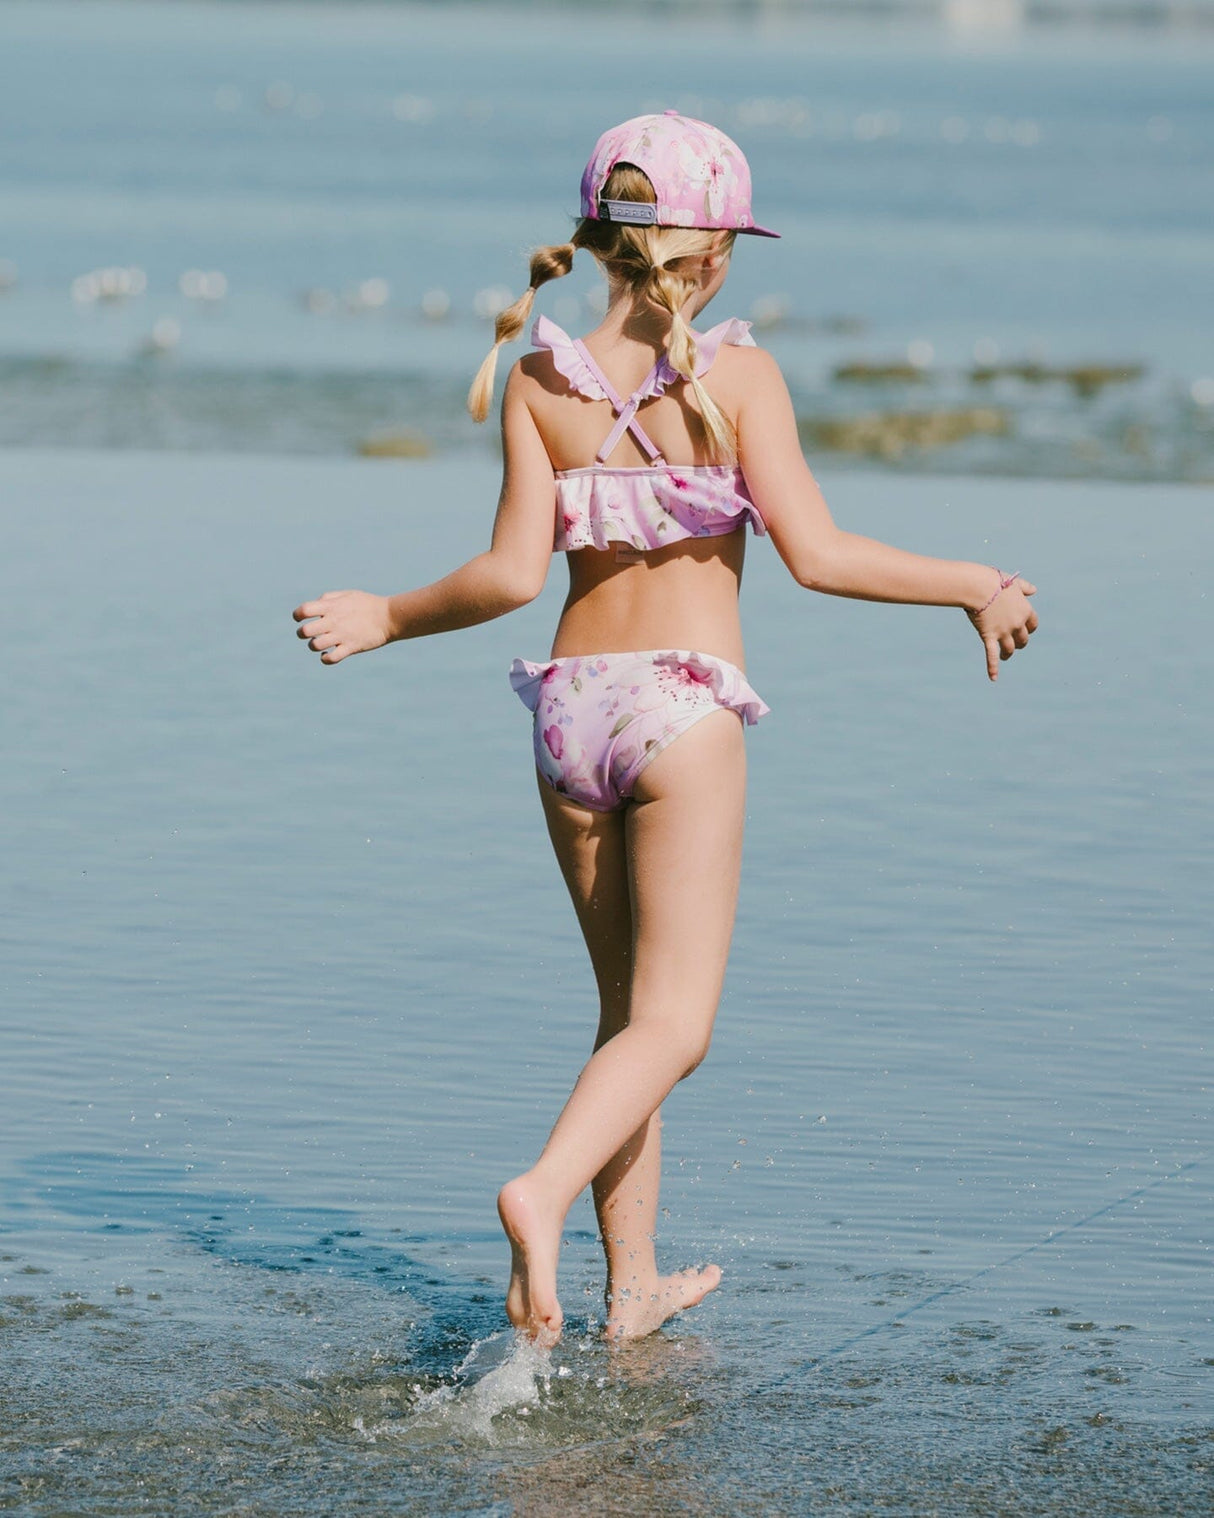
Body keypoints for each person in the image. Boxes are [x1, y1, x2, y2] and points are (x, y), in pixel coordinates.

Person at [293, 111, 1038, 1346]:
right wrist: (972, 581)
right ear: (715, 255)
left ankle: (626, 1288)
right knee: (675, 1026)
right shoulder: (737, 378)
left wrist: (385, 614)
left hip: (569, 716)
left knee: (625, 1019)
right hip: (679, 713)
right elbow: (818, 556)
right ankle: (535, 1191)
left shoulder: (538, 381)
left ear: (594, 241)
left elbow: (501, 579)